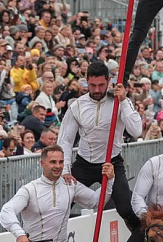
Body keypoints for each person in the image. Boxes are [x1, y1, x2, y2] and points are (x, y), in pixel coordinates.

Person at [58, 60, 142, 230]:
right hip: (84, 163)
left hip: (112, 162)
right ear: (86, 81)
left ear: (109, 81)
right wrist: (65, 170)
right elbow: (65, 140)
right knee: (60, 202)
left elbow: (136, 131)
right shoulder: (77, 105)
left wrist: (124, 101)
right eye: (92, 85)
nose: (97, 90)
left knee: (126, 208)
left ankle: (141, 240)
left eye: (101, 85)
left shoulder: (118, 102)